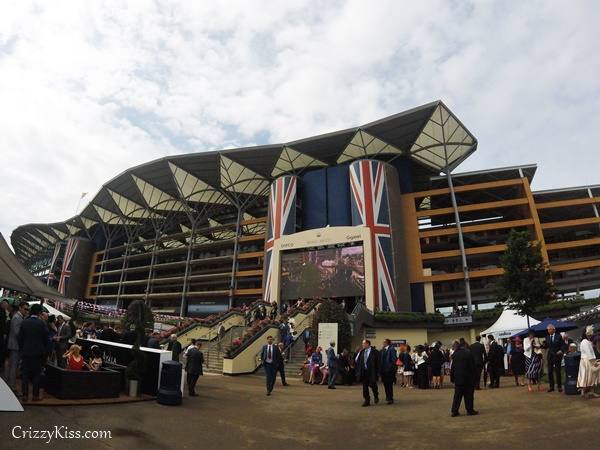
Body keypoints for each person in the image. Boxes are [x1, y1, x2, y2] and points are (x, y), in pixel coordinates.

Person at [18, 303, 47, 402]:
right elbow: (45, 339)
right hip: (38, 353)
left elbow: (20, 338)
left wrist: (22, 349)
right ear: (39, 312)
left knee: (25, 374)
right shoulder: (42, 323)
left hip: (26, 352)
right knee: (36, 374)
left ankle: (25, 395)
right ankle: (35, 395)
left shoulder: (25, 322)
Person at [450, 339, 478, 417]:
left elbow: (453, 367)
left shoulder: (454, 354)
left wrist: (452, 378)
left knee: (457, 396)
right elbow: (473, 366)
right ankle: (469, 410)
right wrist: (475, 377)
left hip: (458, 378)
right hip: (468, 378)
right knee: (469, 395)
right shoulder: (468, 353)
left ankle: (454, 411)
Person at [7, 301, 28, 391]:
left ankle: (10, 385)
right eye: (25, 309)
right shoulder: (17, 317)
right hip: (15, 345)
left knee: (13, 366)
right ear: (20, 308)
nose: (26, 311)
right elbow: (17, 333)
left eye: (27, 309)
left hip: (16, 345)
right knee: (13, 366)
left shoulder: (20, 317)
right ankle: (11, 386)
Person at [577, 326, 600, 399]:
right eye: (588, 334)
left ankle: (590, 392)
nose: (590, 335)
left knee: (591, 376)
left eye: (590, 334)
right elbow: (588, 353)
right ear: (585, 334)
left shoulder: (588, 342)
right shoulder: (584, 342)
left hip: (588, 360)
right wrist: (594, 362)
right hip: (587, 361)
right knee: (586, 376)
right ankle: (583, 392)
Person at [355, 339, 379, 406]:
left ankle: (376, 395)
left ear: (368, 344)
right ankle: (366, 400)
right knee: (365, 386)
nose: (362, 345)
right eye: (362, 343)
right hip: (364, 371)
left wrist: (378, 372)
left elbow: (378, 362)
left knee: (373, 385)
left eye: (363, 343)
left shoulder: (375, 352)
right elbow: (357, 360)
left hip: (372, 372)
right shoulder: (362, 352)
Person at [543, 324, 566, 393]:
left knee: (557, 371)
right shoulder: (547, 337)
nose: (548, 331)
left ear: (554, 330)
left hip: (557, 355)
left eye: (550, 329)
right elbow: (546, 346)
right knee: (550, 372)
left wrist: (561, 350)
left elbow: (563, 345)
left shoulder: (558, 336)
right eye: (548, 330)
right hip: (550, 356)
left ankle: (559, 387)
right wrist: (540, 346)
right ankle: (551, 386)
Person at [379, 339, 397, 403]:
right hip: (383, 370)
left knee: (389, 384)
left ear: (387, 343)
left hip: (389, 370)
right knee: (385, 384)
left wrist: (392, 368)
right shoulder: (383, 350)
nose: (383, 343)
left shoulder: (391, 349)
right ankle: (387, 396)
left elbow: (394, 359)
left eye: (384, 342)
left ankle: (390, 398)